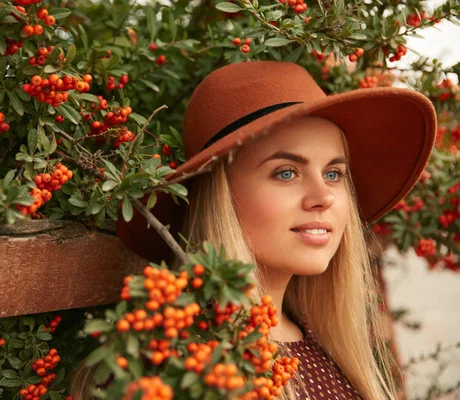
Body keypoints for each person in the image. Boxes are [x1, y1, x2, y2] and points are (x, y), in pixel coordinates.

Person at [74, 61, 437, 399]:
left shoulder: (325, 346)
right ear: (220, 197)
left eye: (333, 174)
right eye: (286, 172)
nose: (323, 196)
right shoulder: (175, 363)